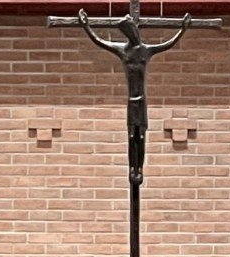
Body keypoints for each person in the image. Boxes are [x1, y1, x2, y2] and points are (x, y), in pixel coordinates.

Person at [75, 12, 192, 188]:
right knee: (131, 135)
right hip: (132, 100)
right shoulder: (123, 50)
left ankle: (140, 168)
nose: (131, 34)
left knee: (142, 135)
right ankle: (132, 168)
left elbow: (168, 44)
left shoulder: (146, 50)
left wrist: (183, 29)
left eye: (131, 30)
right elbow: (99, 41)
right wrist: (86, 26)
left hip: (141, 100)